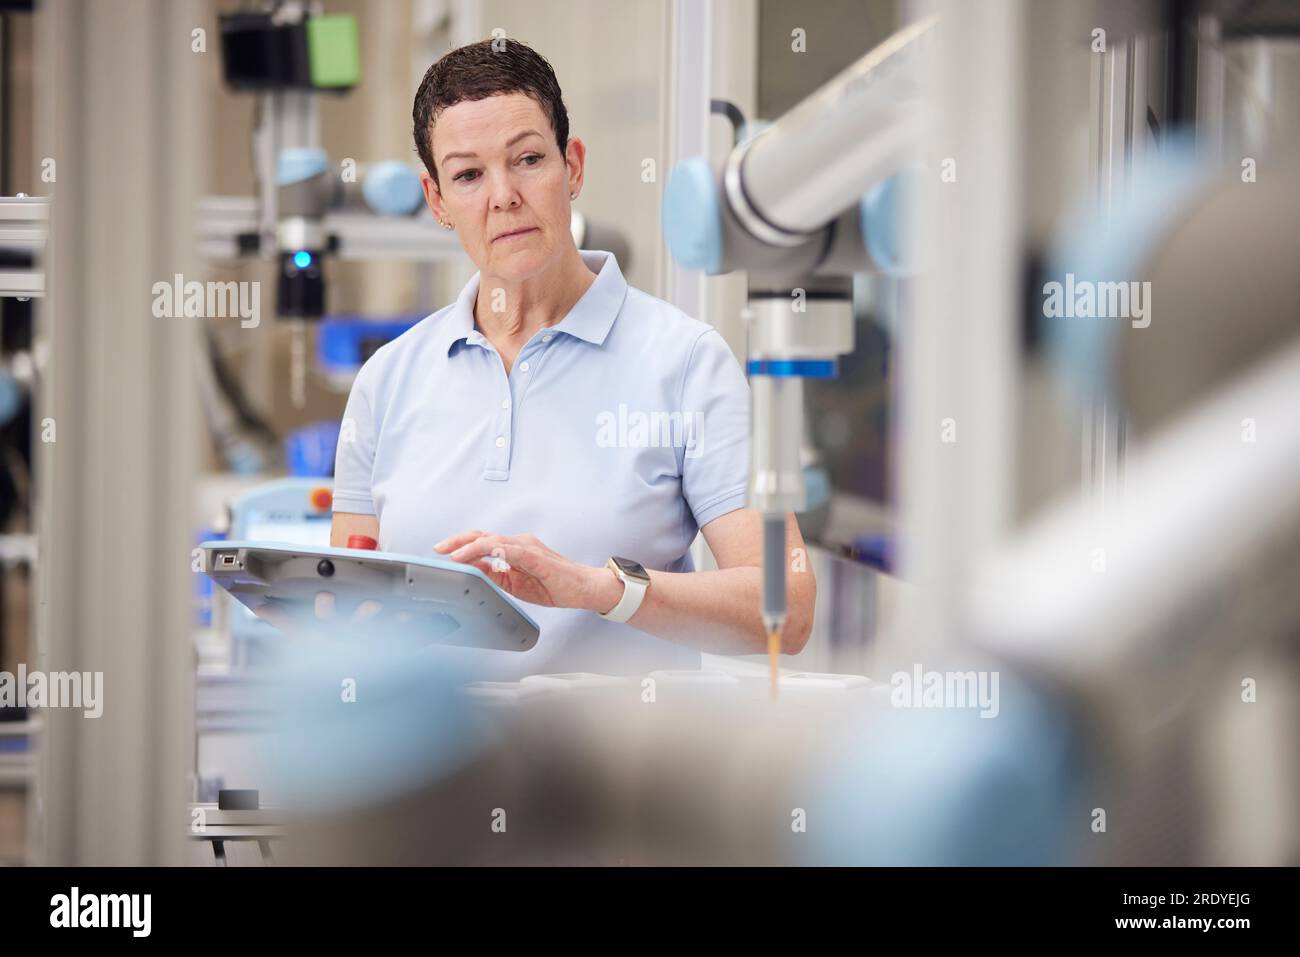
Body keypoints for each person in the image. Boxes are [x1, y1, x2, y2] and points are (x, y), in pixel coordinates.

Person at [329, 38, 814, 678]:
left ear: (573, 165)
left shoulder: (687, 363)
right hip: (431, 770)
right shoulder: (387, 380)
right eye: (468, 175)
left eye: (528, 159)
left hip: (615, 773)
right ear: (438, 200)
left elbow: (788, 606)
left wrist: (598, 589)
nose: (503, 196)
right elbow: (348, 599)